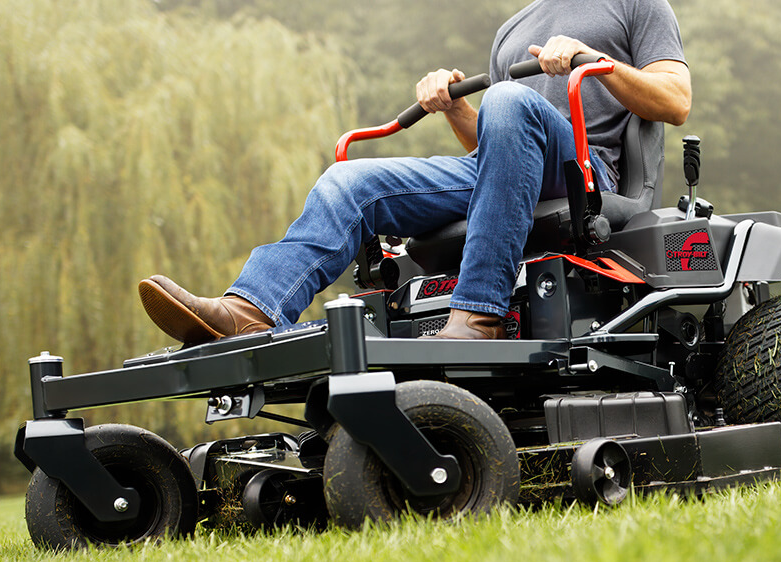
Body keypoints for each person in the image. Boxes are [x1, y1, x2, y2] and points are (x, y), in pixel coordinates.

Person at [138, 0, 690, 343]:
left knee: (508, 101)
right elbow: (497, 141)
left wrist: (597, 60)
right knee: (349, 182)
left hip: (583, 173)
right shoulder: (514, 28)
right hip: (502, 166)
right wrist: (454, 108)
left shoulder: (638, 5)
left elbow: (676, 99)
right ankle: (251, 310)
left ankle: (477, 317)